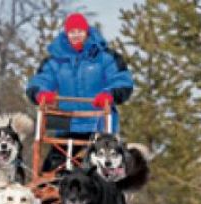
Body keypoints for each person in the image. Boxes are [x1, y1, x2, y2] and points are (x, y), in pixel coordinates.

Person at [26, 13, 133, 172]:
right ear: (66, 33)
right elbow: (42, 79)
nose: (76, 35)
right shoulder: (56, 60)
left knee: (99, 167)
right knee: (52, 169)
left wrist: (109, 94)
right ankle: (48, 191)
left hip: (99, 124)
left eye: (80, 31)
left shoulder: (105, 57)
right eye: (72, 32)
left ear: (87, 32)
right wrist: (41, 93)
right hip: (67, 124)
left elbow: (121, 80)